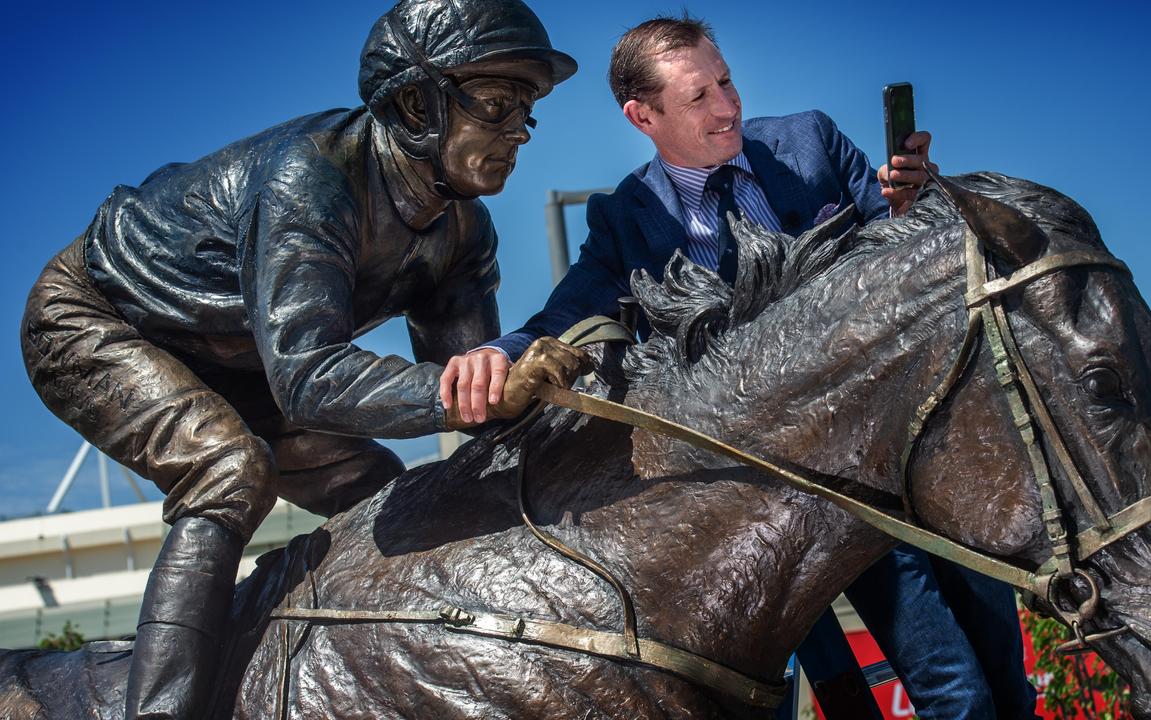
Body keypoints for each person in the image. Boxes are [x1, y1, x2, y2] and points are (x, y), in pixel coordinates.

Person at [440, 16, 1038, 719]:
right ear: (643, 116)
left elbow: (909, 259)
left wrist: (920, 200)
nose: (727, 107)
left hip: (913, 454)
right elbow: (560, 319)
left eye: (725, 81)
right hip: (781, 496)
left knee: (1002, 684)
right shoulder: (627, 219)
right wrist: (491, 354)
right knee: (934, 695)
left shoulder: (810, 141)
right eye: (698, 97)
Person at [19, 2, 588, 718]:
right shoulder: (310, 179)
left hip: (245, 357)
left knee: (380, 492)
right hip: (98, 317)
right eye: (500, 105)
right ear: (416, 104)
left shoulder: (465, 233)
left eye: (526, 113)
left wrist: (547, 400)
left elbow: (474, 402)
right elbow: (311, 379)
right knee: (229, 469)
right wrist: (464, 394)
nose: (518, 134)